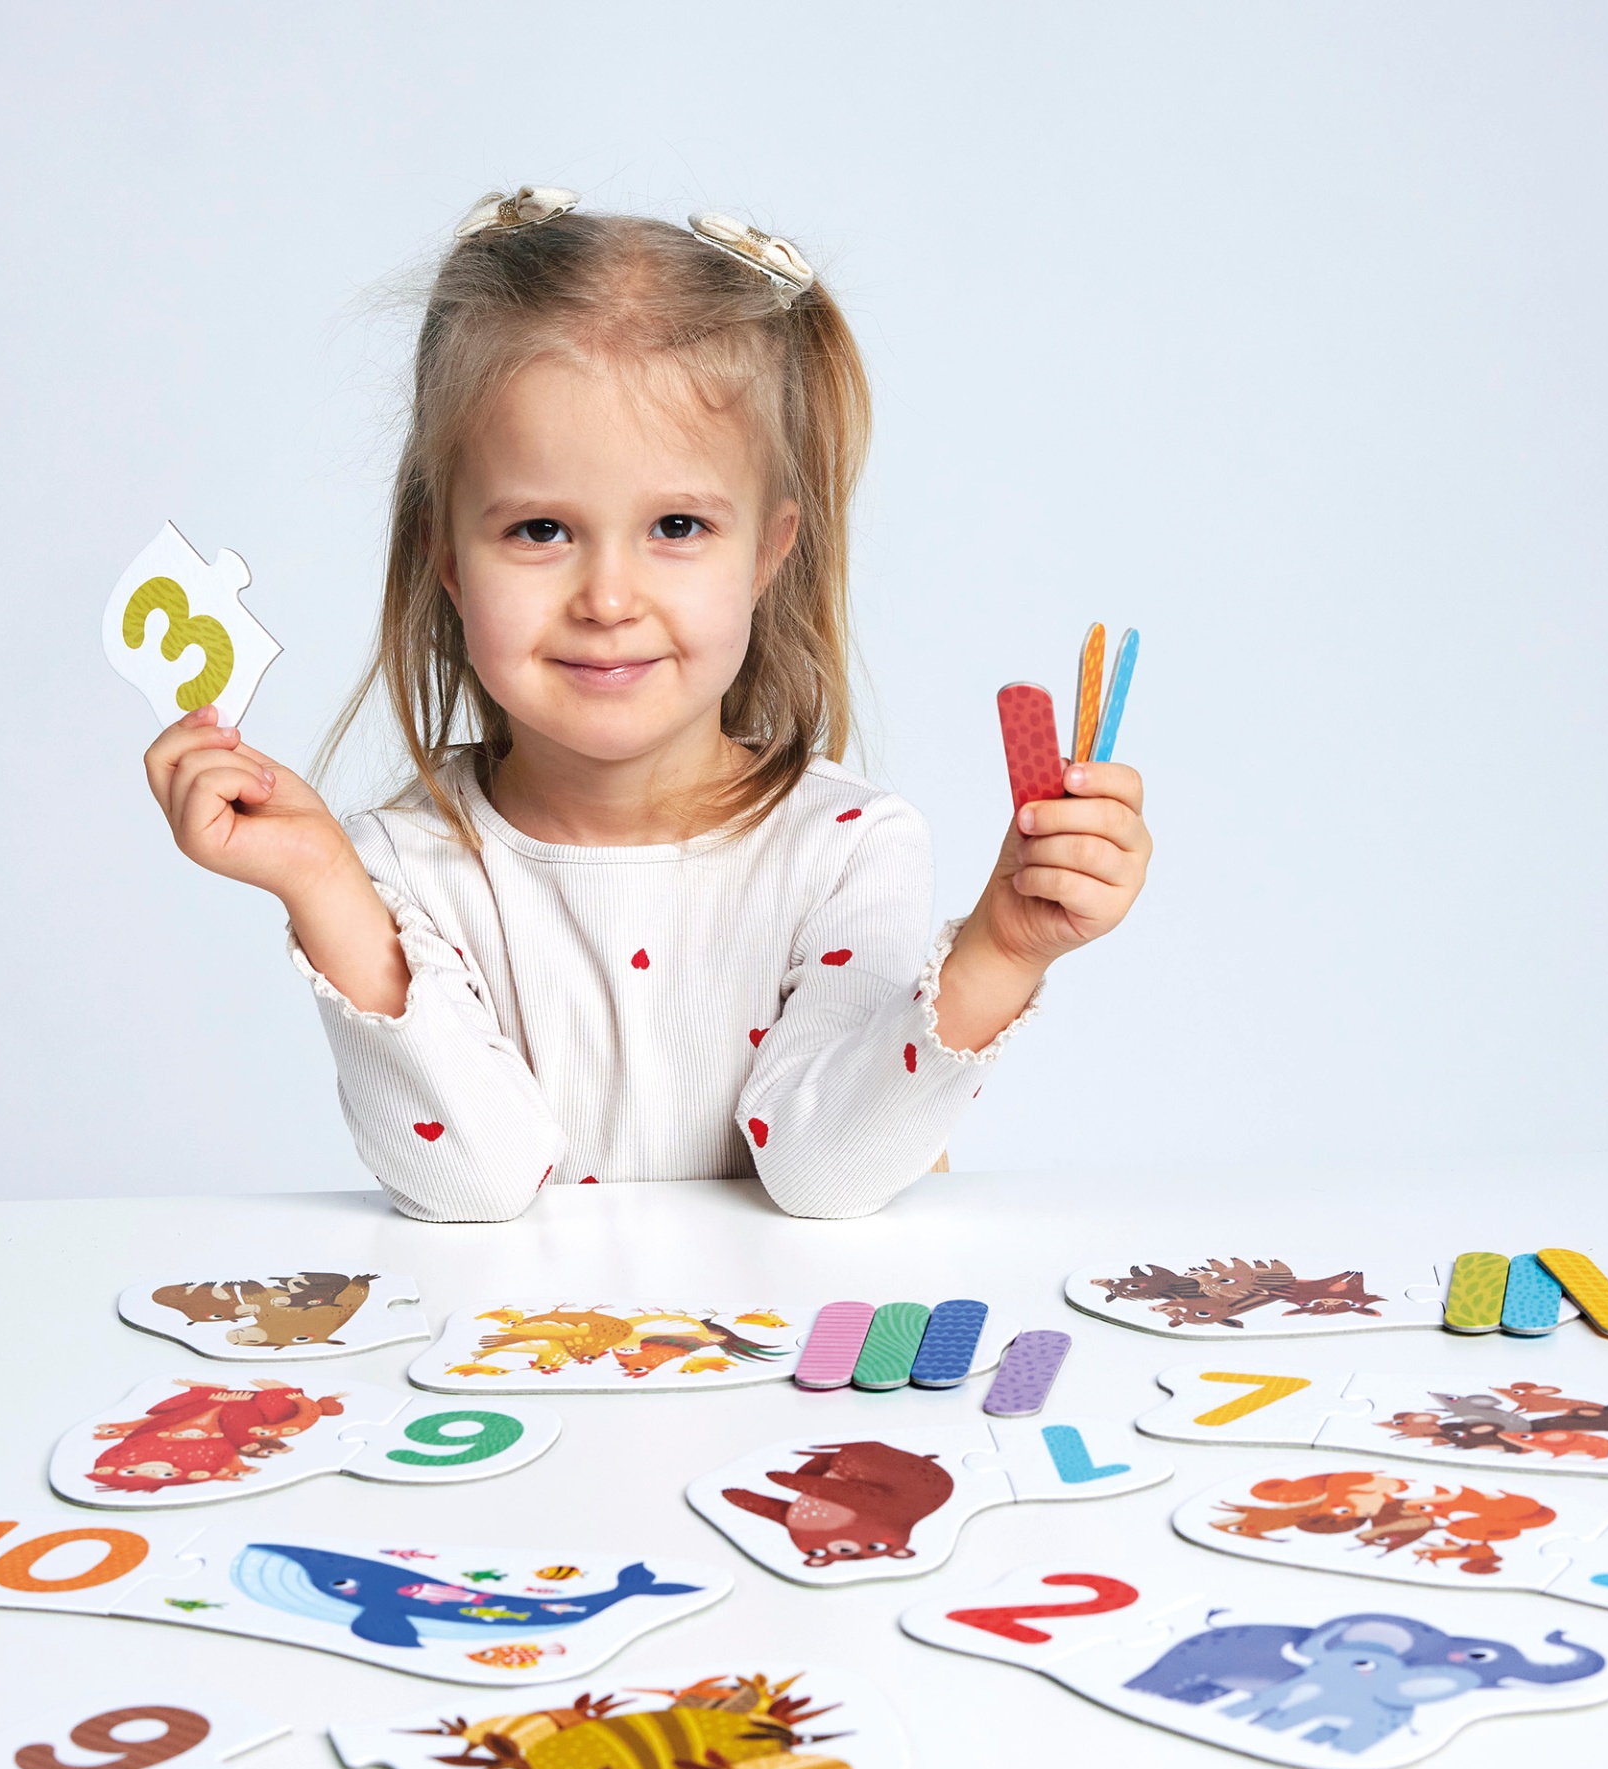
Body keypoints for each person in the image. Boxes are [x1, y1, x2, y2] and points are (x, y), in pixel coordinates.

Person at [143, 188, 1152, 1223]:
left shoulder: (849, 850)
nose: (609, 600)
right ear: (446, 557)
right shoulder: (401, 868)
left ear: (768, 552)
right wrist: (323, 886)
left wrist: (1001, 951)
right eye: (540, 531)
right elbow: (476, 1183)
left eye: (676, 526)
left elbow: (824, 1174)